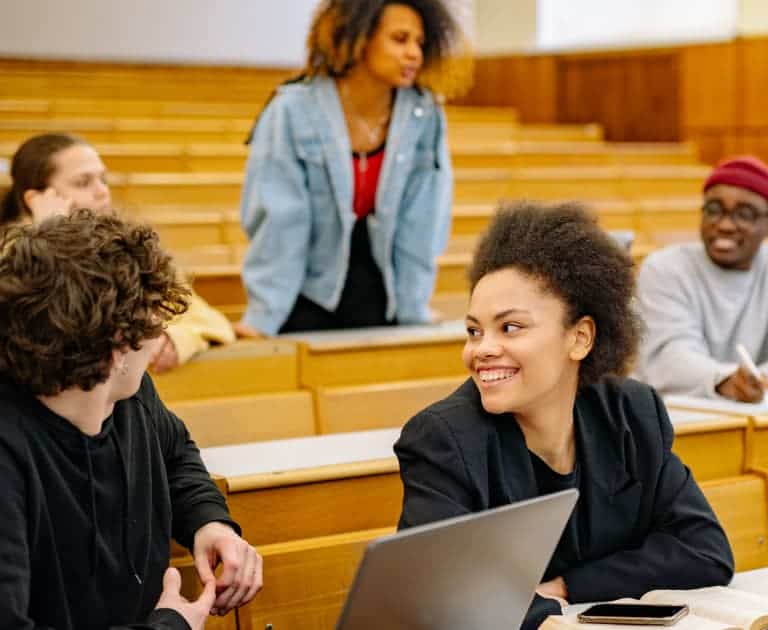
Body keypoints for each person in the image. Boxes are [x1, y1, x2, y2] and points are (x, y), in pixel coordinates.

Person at [394, 202, 734, 630]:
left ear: (580, 338)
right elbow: (449, 596)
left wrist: (569, 586)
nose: (481, 349)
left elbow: (705, 552)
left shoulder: (632, 414)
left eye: (510, 327)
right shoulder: (442, 439)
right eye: (474, 331)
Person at [0, 210, 263, 629]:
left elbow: (175, 455)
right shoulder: (9, 450)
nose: (161, 337)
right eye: (154, 322)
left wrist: (209, 522)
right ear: (117, 350)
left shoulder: (130, 393)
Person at [237, 0, 464, 336]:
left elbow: (423, 222)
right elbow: (281, 221)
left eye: (419, 42)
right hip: (304, 294)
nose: (414, 53)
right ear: (359, 38)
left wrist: (413, 307)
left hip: (382, 295)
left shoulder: (425, 114)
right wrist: (263, 317)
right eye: (400, 39)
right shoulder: (290, 110)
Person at [0, 132, 236, 373]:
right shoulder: (10, 262)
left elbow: (211, 320)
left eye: (103, 179)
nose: (102, 191)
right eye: (83, 182)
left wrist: (178, 338)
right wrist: (50, 240)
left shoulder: (125, 250)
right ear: (35, 199)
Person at [635, 156, 768, 403]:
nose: (724, 225)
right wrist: (725, 381)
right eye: (713, 209)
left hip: (759, 412)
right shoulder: (664, 268)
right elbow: (668, 359)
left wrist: (752, 384)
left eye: (744, 214)